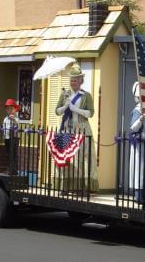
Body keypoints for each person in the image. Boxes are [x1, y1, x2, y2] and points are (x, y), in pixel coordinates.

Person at [55, 63, 98, 193]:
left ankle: (82, 187)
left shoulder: (86, 95)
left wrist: (75, 109)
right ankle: (66, 186)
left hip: (82, 129)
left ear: (80, 81)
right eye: (71, 80)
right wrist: (65, 106)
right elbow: (57, 111)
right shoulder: (65, 94)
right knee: (67, 158)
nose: (73, 82)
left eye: (75, 80)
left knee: (83, 158)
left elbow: (91, 113)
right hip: (67, 129)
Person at [3, 99, 20, 175]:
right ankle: (9, 169)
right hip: (7, 138)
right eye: (7, 108)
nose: (9, 110)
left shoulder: (16, 118)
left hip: (14, 138)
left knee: (14, 154)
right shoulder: (5, 119)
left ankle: (14, 170)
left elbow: (17, 124)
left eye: (10, 108)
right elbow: (4, 127)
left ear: (14, 109)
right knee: (8, 154)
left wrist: (13, 119)